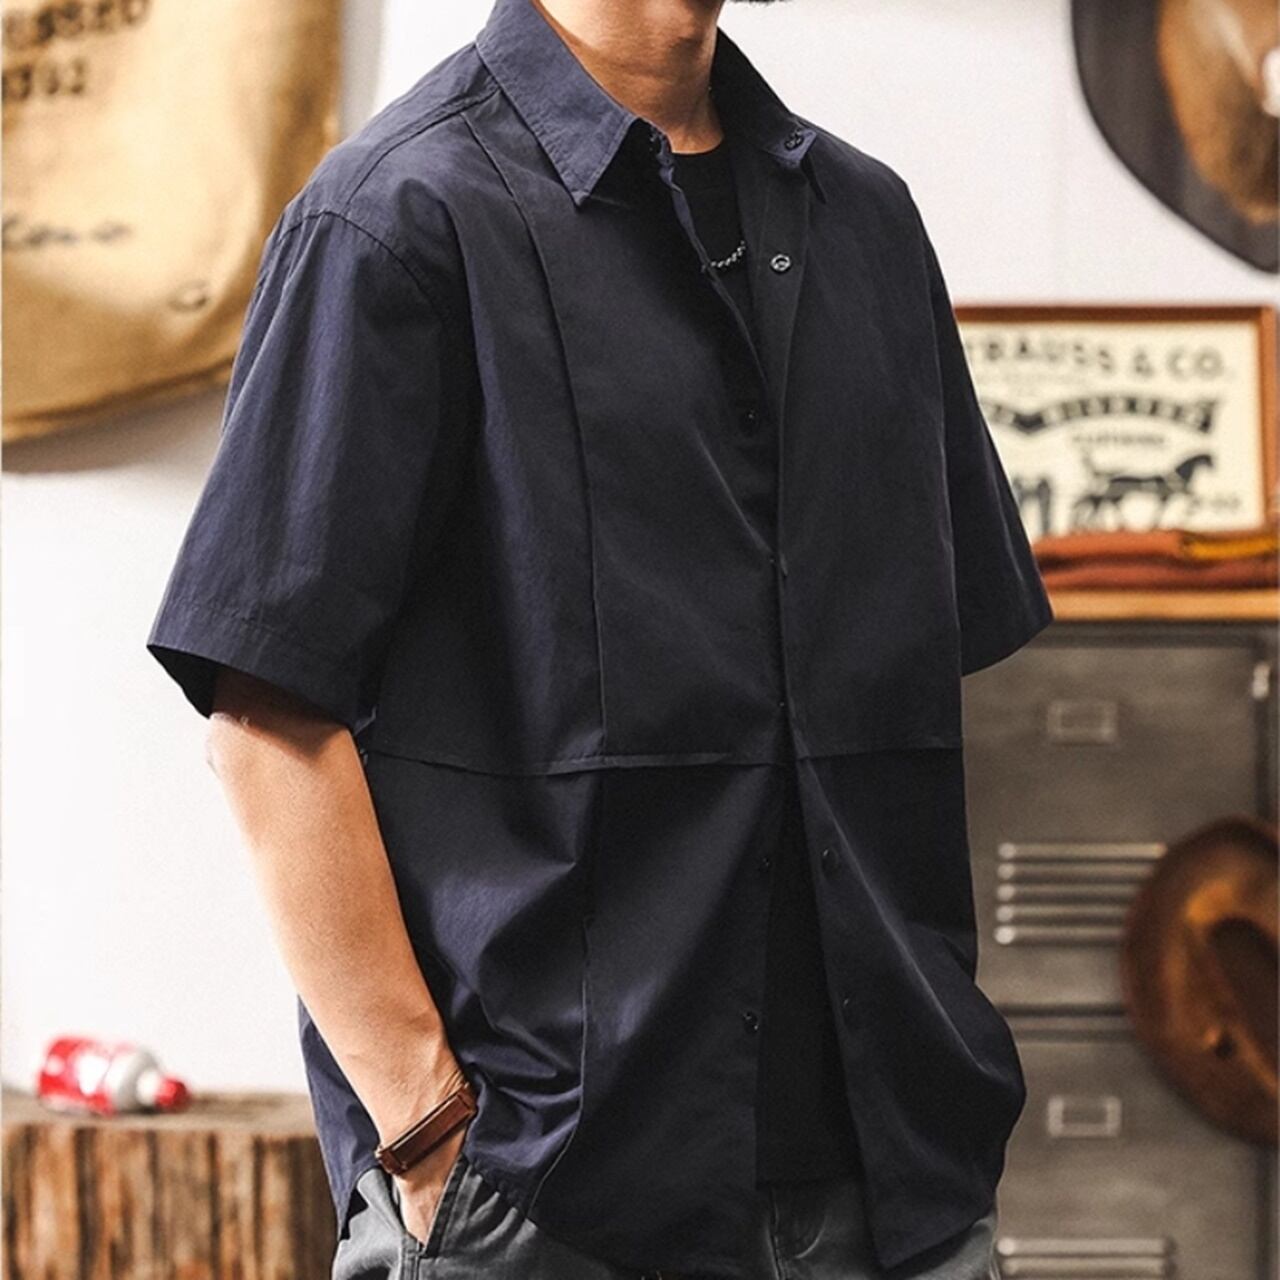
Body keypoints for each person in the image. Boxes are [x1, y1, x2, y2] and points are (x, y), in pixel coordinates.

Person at [145, 0, 1054, 1276]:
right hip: (546, 1212)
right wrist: (430, 1139)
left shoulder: (867, 223)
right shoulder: (394, 218)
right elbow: (266, 721)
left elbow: (916, 689)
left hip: (899, 1199)